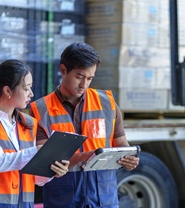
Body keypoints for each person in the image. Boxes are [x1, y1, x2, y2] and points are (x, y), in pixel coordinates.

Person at [30, 42, 140, 207]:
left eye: (89, 78)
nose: (84, 84)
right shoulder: (40, 110)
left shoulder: (107, 104)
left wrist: (130, 159)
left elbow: (121, 143)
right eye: (79, 76)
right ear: (63, 70)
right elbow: (43, 162)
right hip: (64, 199)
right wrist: (81, 158)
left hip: (103, 198)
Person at [0, 59, 70, 208]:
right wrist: (37, 152)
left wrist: (51, 169)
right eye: (26, 88)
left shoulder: (30, 123)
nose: (31, 94)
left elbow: (35, 177)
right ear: (7, 91)